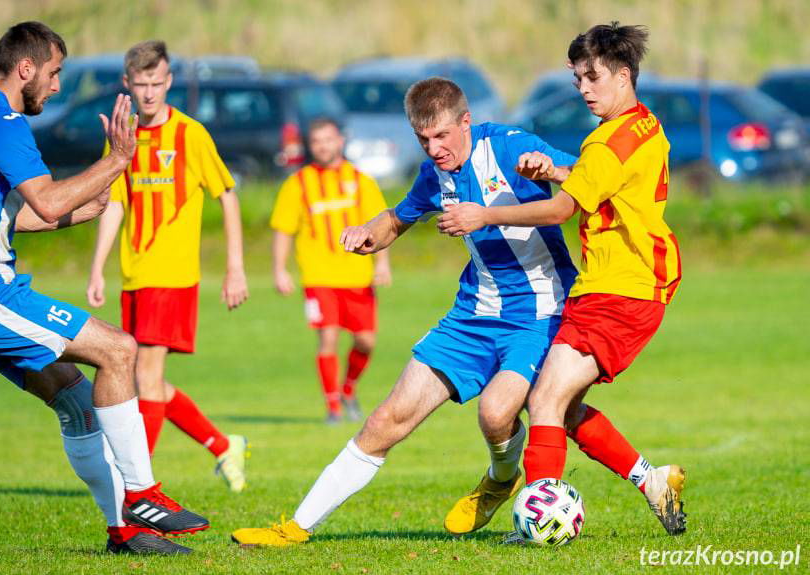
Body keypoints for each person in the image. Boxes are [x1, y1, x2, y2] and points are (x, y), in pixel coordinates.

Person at [230, 77, 581, 546]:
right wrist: (369, 233)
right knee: (385, 420)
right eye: (423, 139)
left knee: (496, 414)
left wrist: (495, 208)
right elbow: (399, 217)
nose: (434, 149)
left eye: (441, 136)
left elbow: (571, 199)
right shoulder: (433, 172)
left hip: (539, 311)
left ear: (465, 122)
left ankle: (500, 479)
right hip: (473, 313)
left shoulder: (511, 147)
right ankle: (296, 528)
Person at [0, 21, 207, 555]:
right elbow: (45, 199)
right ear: (27, 69)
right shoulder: (3, 122)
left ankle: (125, 533)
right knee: (119, 348)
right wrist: (116, 161)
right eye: (55, 72)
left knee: (79, 405)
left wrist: (83, 208)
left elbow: (5, 217)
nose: (58, 85)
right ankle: (143, 495)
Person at [436, 22, 686, 535]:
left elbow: (559, 213)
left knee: (544, 399)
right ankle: (652, 480)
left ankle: (539, 519)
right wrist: (553, 169)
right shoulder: (643, 125)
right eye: (577, 80)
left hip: (619, 289)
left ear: (623, 75)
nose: (585, 89)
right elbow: (603, 179)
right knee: (564, 407)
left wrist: (485, 216)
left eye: (593, 77)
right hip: (632, 283)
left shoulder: (603, 145)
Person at [86, 41, 250, 492]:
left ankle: (138, 483)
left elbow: (227, 195)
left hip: (173, 276)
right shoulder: (123, 134)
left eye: (157, 83)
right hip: (134, 275)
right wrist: (98, 266)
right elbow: (115, 203)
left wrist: (235, 267)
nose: (150, 92)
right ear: (127, 84)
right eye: (141, 84)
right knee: (149, 383)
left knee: (145, 377)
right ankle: (222, 445)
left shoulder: (190, 134)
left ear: (169, 81)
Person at [270, 118, 390, 423]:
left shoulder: (362, 181)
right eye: (317, 141)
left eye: (328, 139)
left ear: (341, 140)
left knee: (366, 341)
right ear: (311, 146)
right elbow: (283, 229)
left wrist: (383, 264)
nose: (323, 146)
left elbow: (382, 225)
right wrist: (280, 269)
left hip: (358, 276)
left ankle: (348, 389)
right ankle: (333, 406)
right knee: (328, 338)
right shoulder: (298, 183)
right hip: (318, 276)